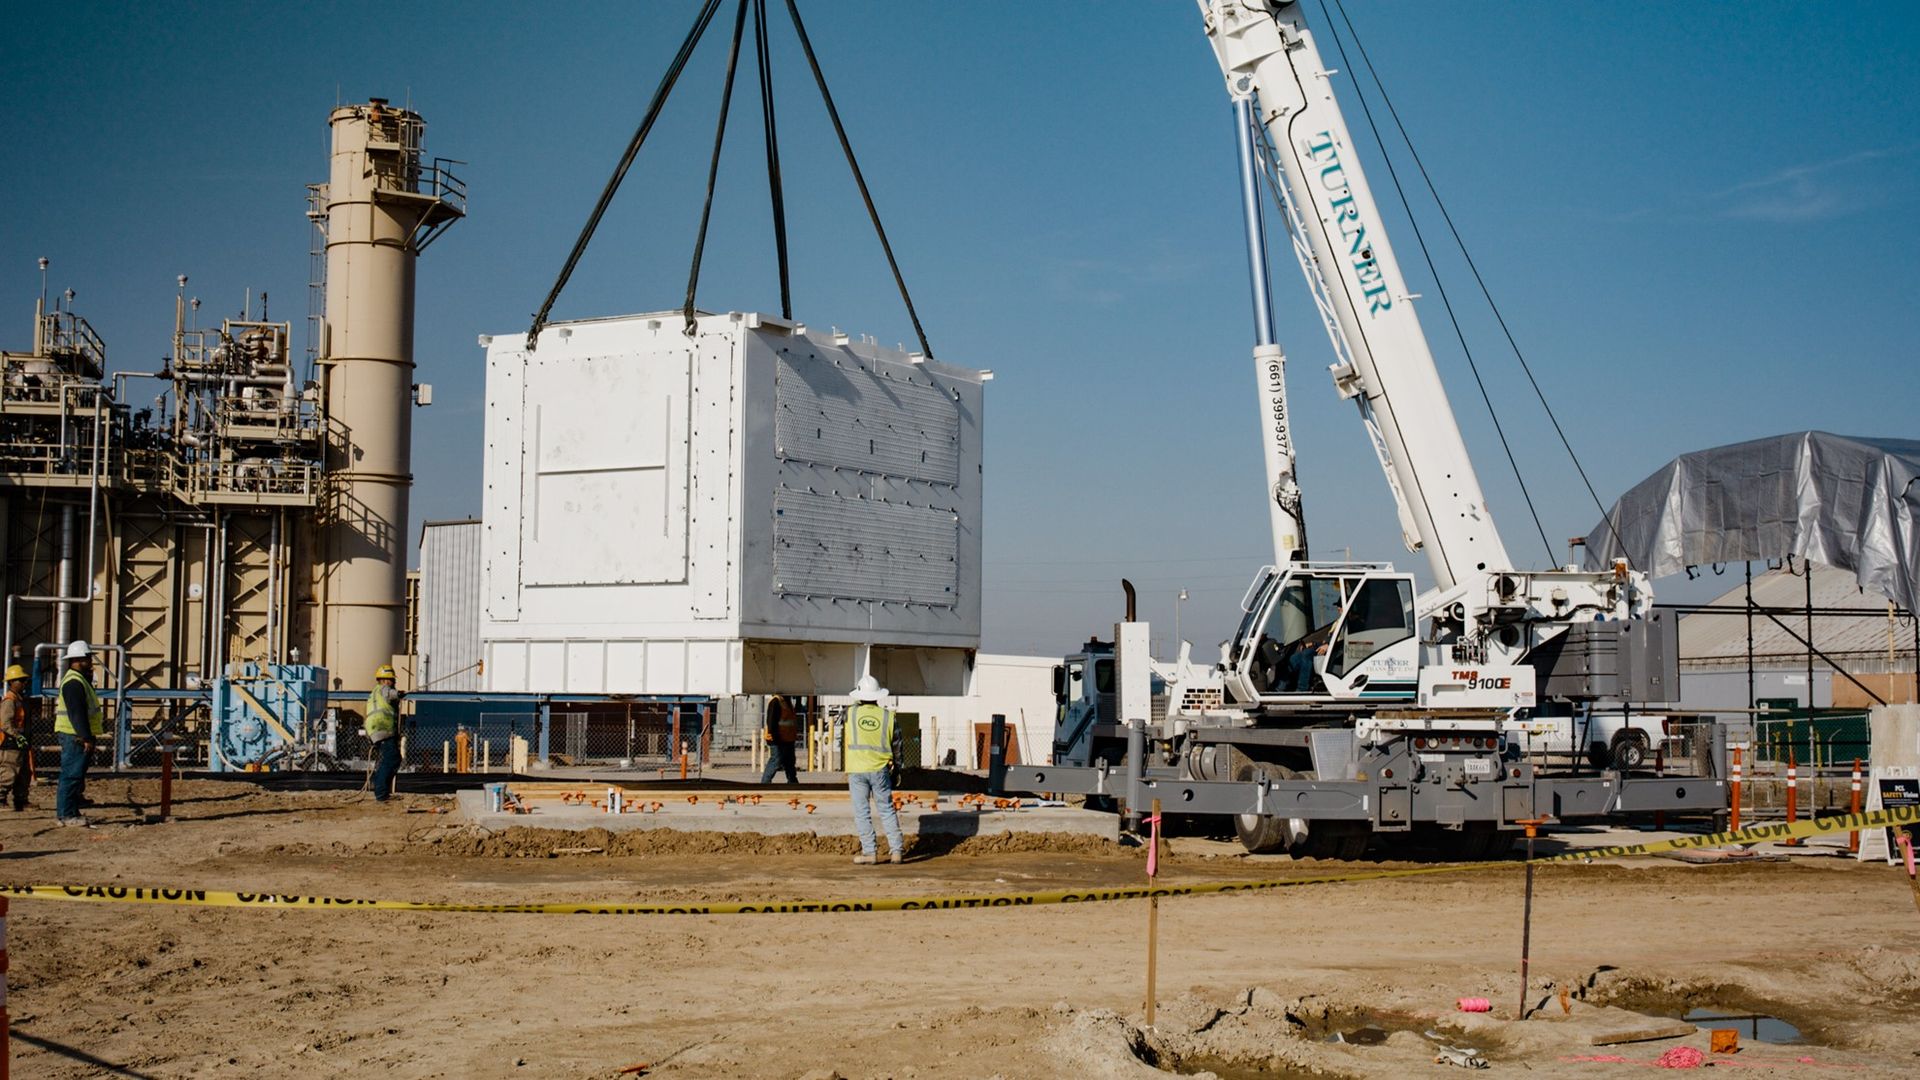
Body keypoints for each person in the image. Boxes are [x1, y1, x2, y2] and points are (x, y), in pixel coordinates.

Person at [843, 675, 906, 865]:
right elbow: (898, 745)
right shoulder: (888, 716)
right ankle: (897, 852)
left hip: (857, 769)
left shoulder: (850, 713)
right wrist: (897, 769)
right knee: (886, 809)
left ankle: (870, 853)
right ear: (878, 695)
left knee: (862, 812)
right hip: (880, 769)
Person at [53, 640, 102, 827]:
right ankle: (66, 815)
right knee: (71, 775)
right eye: (88, 657)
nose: (90, 660)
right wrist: (86, 736)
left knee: (75, 775)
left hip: (75, 735)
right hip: (75, 735)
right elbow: (77, 713)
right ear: (78, 659)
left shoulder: (78, 680)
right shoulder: (74, 682)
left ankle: (71, 812)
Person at [366, 664, 404, 802]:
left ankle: (382, 790)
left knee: (391, 759)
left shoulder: (374, 692)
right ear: (386, 680)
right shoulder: (384, 689)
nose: (393, 683)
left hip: (375, 729)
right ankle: (381, 793)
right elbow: (390, 693)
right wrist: (399, 694)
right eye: (392, 680)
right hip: (383, 728)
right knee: (391, 759)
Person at [0, 664, 32, 811]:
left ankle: (21, 800)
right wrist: (17, 736)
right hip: (11, 743)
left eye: (24, 679)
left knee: (24, 774)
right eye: (20, 679)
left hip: (20, 742)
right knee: (9, 772)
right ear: (11, 682)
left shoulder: (19, 699)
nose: (23, 682)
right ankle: (0, 799)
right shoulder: (9, 700)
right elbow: (5, 723)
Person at [759, 693, 801, 784]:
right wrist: (775, 737)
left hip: (788, 738)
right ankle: (765, 783)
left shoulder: (787, 702)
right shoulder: (776, 702)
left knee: (789, 761)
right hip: (777, 738)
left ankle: (792, 782)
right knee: (776, 759)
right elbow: (771, 721)